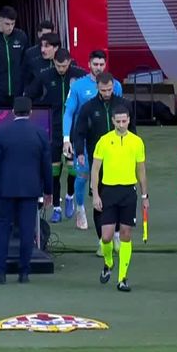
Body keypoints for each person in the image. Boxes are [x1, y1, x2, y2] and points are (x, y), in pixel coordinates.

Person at [0, 97, 52, 284]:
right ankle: (24, 273)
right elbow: (46, 165)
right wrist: (48, 190)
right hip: (30, 190)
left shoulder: (2, 133)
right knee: (27, 230)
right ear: (30, 112)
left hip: (5, 189)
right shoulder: (40, 133)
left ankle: (0, 272)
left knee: (3, 228)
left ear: (13, 112)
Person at [72, 73, 137, 257]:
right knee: (99, 201)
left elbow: (133, 131)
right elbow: (80, 133)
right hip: (98, 161)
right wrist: (79, 153)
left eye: (109, 90)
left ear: (113, 87)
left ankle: (116, 235)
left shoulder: (124, 105)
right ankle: (102, 240)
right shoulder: (88, 108)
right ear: (97, 88)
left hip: (121, 161)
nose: (107, 93)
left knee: (119, 199)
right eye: (103, 90)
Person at [63, 50, 124, 230]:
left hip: (109, 141)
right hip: (84, 140)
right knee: (82, 175)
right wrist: (67, 139)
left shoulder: (116, 85)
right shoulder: (78, 86)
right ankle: (80, 208)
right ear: (89, 64)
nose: (98, 68)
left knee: (110, 178)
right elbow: (69, 113)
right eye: (95, 64)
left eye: (101, 64)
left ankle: (109, 214)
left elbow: (120, 112)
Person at [90, 104, 147, 292]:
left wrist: (145, 195)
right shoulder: (104, 141)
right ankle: (108, 263)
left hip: (128, 193)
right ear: (113, 121)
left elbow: (141, 170)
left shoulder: (137, 142)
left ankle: (123, 278)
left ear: (129, 120)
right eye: (118, 121)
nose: (122, 124)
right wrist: (96, 194)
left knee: (125, 234)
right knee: (106, 237)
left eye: (125, 121)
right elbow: (95, 170)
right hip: (109, 192)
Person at [25, 48, 86, 223]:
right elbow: (29, 95)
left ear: (70, 62)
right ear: (54, 63)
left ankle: (69, 196)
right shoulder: (44, 77)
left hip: (73, 131)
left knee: (73, 168)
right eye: (59, 66)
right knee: (54, 171)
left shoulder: (79, 76)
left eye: (65, 66)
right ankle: (57, 207)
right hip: (51, 130)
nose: (61, 69)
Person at [21, 23, 57, 88]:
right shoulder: (30, 53)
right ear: (38, 34)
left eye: (49, 35)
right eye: (44, 35)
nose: (46, 38)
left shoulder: (58, 51)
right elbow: (25, 76)